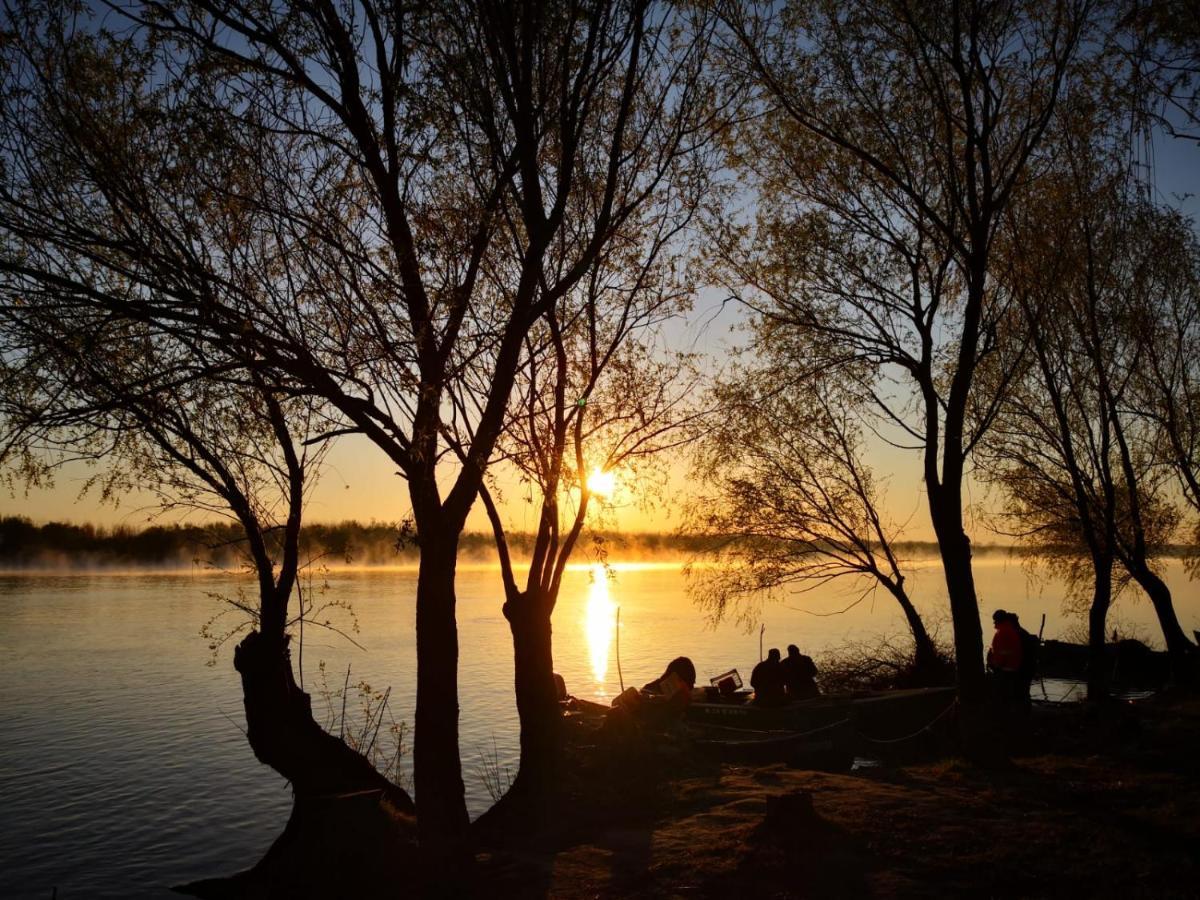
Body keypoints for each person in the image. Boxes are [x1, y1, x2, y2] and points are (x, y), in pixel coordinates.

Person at [986, 609, 1023, 703]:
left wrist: (995, 665)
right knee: (1008, 698)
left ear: (998, 620)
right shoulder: (1010, 630)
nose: (994, 623)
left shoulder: (1002, 632)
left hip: (1005, 670)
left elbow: (1001, 653)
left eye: (995, 621)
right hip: (1012, 668)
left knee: (1002, 698)